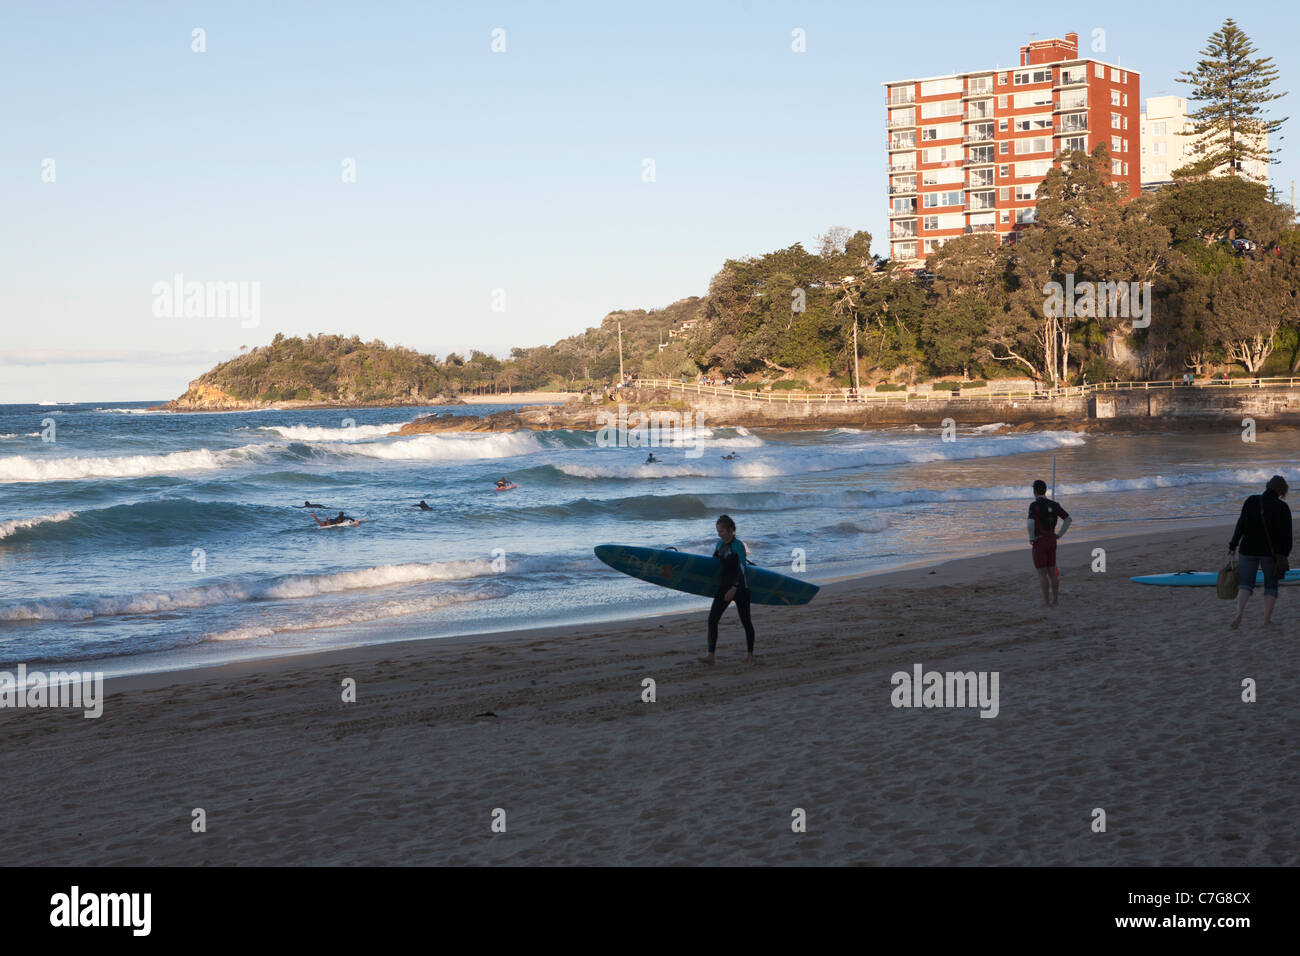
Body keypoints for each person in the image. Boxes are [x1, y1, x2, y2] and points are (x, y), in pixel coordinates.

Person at [1229, 475, 1292, 629]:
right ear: (1282, 491)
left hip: (1247, 549)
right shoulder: (1282, 507)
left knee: (1245, 584)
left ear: (1267, 486)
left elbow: (1241, 525)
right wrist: (1283, 554)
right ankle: (1266, 621)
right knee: (1270, 586)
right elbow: (1287, 536)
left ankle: (1239, 613)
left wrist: (1233, 545)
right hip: (1270, 554)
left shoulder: (1251, 501)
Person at [700, 514, 756, 665]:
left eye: (722, 531)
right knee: (712, 619)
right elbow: (715, 565)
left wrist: (734, 588)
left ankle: (750, 654)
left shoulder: (738, 546)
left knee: (745, 621)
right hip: (724, 587)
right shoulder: (719, 545)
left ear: (731, 530)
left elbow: (742, 568)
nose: (720, 534)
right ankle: (710, 655)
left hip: (740, 588)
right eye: (718, 531)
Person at [1027, 479, 1071, 607]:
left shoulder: (1034, 505)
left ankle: (1046, 602)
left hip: (1039, 540)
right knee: (1052, 571)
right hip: (1052, 540)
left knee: (1042, 573)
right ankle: (1056, 600)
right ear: (1045, 490)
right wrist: (1059, 534)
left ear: (1034, 491)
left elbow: (1030, 523)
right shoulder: (1055, 504)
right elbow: (1068, 519)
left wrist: (1031, 537)